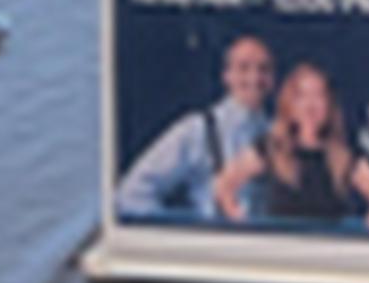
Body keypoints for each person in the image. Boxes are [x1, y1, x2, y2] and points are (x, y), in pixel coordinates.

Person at [115, 31, 276, 225]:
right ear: (227, 76)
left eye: (264, 69)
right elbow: (132, 194)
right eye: (243, 68)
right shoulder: (198, 129)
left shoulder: (278, 135)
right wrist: (173, 236)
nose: (254, 78)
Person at [233, 55, 369, 234]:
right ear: (290, 104)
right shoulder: (272, 148)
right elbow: (224, 185)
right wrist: (243, 230)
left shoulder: (342, 157)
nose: (310, 105)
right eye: (302, 96)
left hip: (328, 248)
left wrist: (368, 234)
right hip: (281, 246)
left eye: (318, 96)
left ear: (329, 105)